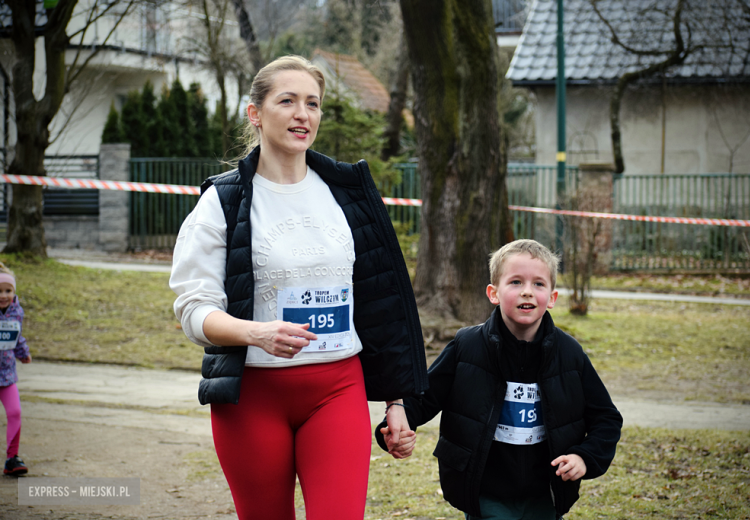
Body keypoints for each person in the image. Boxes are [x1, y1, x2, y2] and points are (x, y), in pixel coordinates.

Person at [169, 55, 427, 520]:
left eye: (313, 103)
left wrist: (396, 401)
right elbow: (193, 311)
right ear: (255, 113)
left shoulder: (350, 194)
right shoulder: (221, 202)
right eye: (287, 101)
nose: (302, 114)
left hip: (338, 390)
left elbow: (382, 306)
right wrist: (255, 333)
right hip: (252, 396)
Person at [377, 239, 622, 520]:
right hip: (485, 492)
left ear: (552, 297)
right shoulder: (466, 347)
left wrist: (584, 457)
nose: (527, 291)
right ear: (493, 293)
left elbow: (606, 418)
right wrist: (395, 425)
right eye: (516, 282)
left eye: (539, 284)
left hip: (547, 493)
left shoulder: (569, 354)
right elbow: (423, 398)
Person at [0, 262, 31, 476]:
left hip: (6, 375)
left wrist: (23, 353)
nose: (4, 296)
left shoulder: (16, 312)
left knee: (15, 412)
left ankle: (12, 459)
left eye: (8, 291)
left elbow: (17, 337)